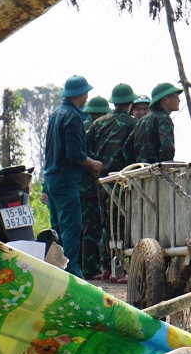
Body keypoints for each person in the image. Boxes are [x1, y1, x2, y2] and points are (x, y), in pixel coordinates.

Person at [42, 75, 102, 278]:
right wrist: (92, 163)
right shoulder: (74, 117)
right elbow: (74, 153)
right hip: (66, 180)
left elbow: (50, 150)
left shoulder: (56, 114)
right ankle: (70, 271)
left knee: (57, 227)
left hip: (51, 179)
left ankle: (54, 268)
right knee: (71, 227)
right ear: (83, 94)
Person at [84, 83, 139, 281]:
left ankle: (106, 267)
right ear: (130, 103)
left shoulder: (98, 123)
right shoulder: (133, 124)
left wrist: (94, 166)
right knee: (121, 223)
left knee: (105, 222)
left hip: (101, 180)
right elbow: (134, 152)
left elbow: (85, 147)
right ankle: (118, 269)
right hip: (122, 180)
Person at [78, 95, 110, 280]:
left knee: (86, 226)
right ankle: (90, 268)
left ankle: (87, 266)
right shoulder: (92, 128)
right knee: (92, 226)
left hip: (82, 184)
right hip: (89, 185)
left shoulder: (84, 126)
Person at [128, 82, 182, 164]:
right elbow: (167, 147)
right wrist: (164, 167)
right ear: (165, 100)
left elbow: (127, 147)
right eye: (176, 96)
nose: (179, 100)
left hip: (141, 172)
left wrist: (134, 167)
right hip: (156, 173)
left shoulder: (142, 120)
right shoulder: (163, 118)